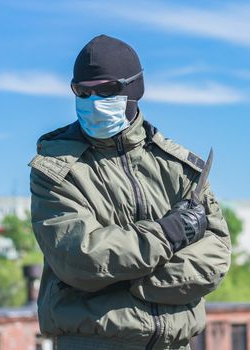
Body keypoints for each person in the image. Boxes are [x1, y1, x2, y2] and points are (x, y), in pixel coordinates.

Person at [29, 34, 231, 350]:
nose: (93, 101)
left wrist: (136, 284)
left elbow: (215, 257)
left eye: (107, 90)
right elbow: (80, 258)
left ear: (134, 90)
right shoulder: (55, 170)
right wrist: (168, 234)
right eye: (82, 91)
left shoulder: (180, 167)